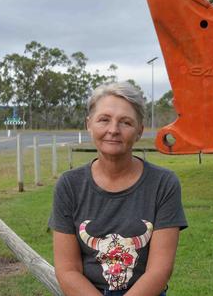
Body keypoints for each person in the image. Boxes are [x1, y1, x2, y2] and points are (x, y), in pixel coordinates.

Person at [49, 81, 187, 296]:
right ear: (89, 124)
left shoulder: (163, 184)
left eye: (125, 122)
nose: (113, 130)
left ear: (139, 130)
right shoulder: (69, 186)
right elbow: (67, 270)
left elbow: (159, 270)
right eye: (104, 120)